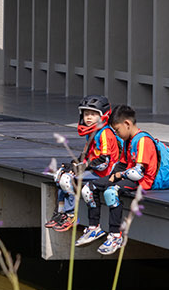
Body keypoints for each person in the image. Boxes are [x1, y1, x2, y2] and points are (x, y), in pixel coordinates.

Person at [46, 96, 122, 245]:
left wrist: (82, 168)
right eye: (86, 114)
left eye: (93, 114)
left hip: (105, 173)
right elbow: (87, 156)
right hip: (94, 169)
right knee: (60, 175)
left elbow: (104, 161)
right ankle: (61, 212)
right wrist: (74, 165)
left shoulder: (105, 133)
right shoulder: (92, 132)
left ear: (103, 115)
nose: (88, 117)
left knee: (68, 180)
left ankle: (71, 215)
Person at [97, 105, 162, 256]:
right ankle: (93, 228)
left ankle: (115, 235)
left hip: (144, 181)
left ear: (127, 124)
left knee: (111, 192)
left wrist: (118, 176)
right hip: (130, 177)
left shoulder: (143, 140)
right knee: (92, 186)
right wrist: (110, 177)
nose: (117, 134)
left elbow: (138, 173)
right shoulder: (129, 140)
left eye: (117, 130)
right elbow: (122, 164)